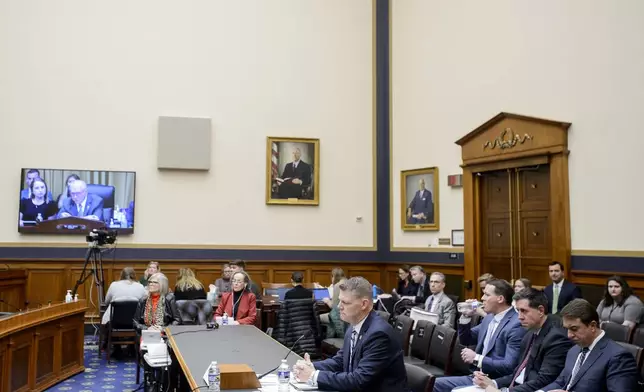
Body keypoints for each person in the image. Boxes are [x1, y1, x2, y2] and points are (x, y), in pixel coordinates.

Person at [293, 277, 408, 392]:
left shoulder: (379, 334)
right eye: (339, 301)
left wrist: (313, 376)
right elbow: (341, 360)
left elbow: (359, 380)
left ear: (364, 304)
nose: (339, 307)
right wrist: (312, 367)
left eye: (345, 302)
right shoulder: (355, 324)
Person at [433, 279, 525, 392]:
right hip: (477, 376)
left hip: (494, 381)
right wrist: (466, 317)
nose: (482, 298)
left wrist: (477, 358)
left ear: (500, 299)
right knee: (433, 383)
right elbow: (466, 339)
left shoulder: (516, 325)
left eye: (486, 295)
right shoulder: (489, 317)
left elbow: (509, 365)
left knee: (453, 389)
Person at [472, 288, 573, 392]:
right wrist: (494, 383)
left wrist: (505, 391)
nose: (519, 317)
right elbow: (518, 372)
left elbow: (544, 380)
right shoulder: (530, 332)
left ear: (541, 310)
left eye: (524, 311)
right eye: (518, 311)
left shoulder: (556, 337)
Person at [536, 299, 640, 392]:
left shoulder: (618, 357)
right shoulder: (573, 350)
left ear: (593, 326)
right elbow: (561, 382)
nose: (569, 335)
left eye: (574, 329)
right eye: (566, 329)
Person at [319, 268, 347, 338]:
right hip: (347, 317)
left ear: (333, 276)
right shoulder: (349, 282)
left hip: (339, 316)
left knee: (317, 317)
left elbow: (333, 307)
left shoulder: (338, 285)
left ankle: (323, 340)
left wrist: (327, 300)